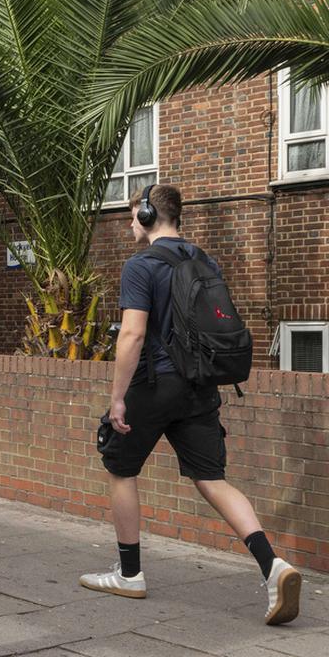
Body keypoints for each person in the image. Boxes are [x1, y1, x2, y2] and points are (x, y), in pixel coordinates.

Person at [80, 183, 300, 625]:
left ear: (146, 215)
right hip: (200, 385)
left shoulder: (141, 265)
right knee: (211, 478)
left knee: (120, 466)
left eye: (132, 215)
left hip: (155, 383)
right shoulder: (205, 261)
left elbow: (132, 335)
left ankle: (129, 574)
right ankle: (273, 565)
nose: (130, 224)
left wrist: (118, 398)